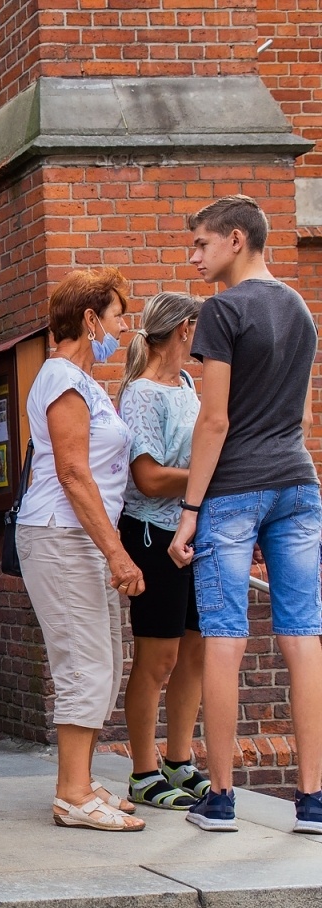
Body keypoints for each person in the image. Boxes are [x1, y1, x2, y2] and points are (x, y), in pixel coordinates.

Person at [169, 195, 322, 835]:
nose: (194, 256)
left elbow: (214, 418)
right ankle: (313, 801)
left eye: (202, 244)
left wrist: (189, 511)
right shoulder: (299, 309)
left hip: (233, 490)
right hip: (298, 483)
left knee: (225, 638)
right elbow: (306, 417)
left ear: (237, 239)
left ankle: (223, 797)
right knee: (303, 635)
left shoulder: (222, 312)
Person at [17, 268, 145, 832]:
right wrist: (118, 553)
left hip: (79, 537)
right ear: (90, 319)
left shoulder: (79, 380)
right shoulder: (62, 377)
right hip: (62, 534)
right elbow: (72, 471)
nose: (122, 328)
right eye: (117, 316)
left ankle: (84, 781)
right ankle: (72, 793)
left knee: (104, 663)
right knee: (84, 664)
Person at [117, 292, 212, 810]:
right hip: (153, 535)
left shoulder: (189, 382)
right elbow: (149, 478)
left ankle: (179, 759)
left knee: (195, 650)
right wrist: (206, 481)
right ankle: (142, 770)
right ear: (185, 328)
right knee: (159, 658)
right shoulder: (141, 394)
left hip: (193, 532)